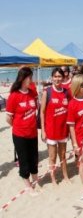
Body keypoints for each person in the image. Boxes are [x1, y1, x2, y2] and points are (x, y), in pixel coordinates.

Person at [6, 67, 40, 196]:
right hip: (20, 134)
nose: (31, 80)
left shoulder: (32, 93)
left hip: (32, 133)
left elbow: (36, 108)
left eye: (31, 77)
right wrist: (18, 126)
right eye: (29, 77)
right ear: (22, 78)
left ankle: (36, 180)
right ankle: (28, 186)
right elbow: (8, 118)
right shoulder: (14, 96)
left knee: (34, 158)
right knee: (24, 160)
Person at [40, 67, 70, 185]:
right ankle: (53, 178)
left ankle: (65, 175)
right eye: (55, 76)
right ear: (52, 78)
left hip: (63, 129)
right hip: (51, 130)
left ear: (63, 78)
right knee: (52, 156)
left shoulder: (66, 92)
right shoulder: (47, 92)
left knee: (62, 155)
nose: (57, 79)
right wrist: (43, 130)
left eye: (59, 76)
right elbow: (42, 112)